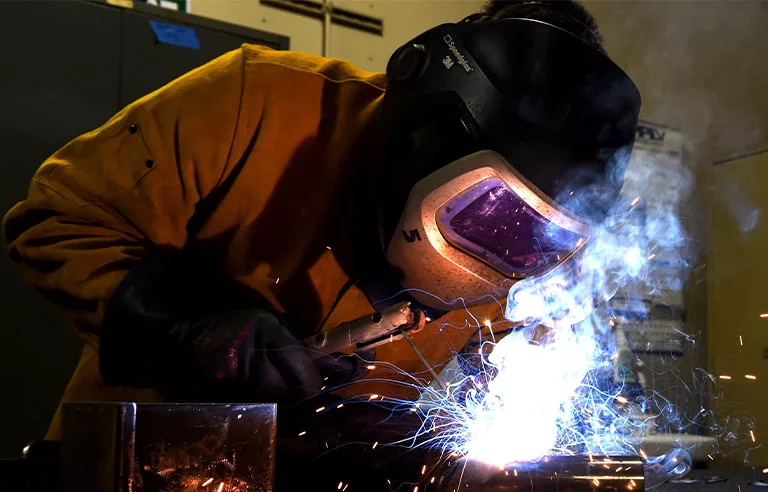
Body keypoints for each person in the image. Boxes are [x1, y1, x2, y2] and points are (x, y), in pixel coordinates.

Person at [3, 0, 640, 442]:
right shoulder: (259, 98)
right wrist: (186, 328)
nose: (505, 247)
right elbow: (57, 219)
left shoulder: (551, 252)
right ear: (434, 134)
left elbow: (515, 367)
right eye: (489, 211)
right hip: (147, 459)